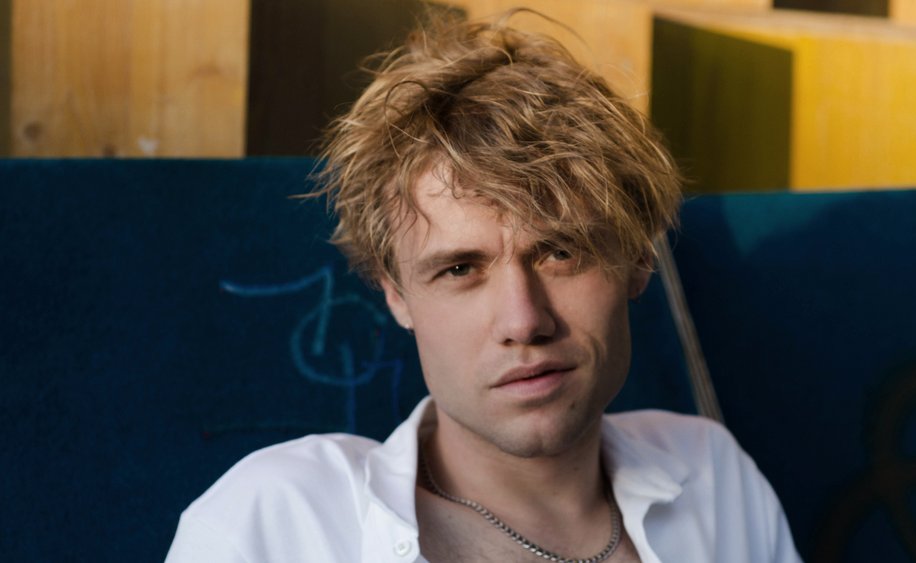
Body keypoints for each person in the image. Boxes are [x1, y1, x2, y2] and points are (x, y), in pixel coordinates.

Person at [166, 10, 801, 563]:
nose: (523, 321)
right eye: (460, 270)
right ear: (396, 294)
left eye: (560, 252)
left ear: (639, 259)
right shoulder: (276, 522)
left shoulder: (713, 477)